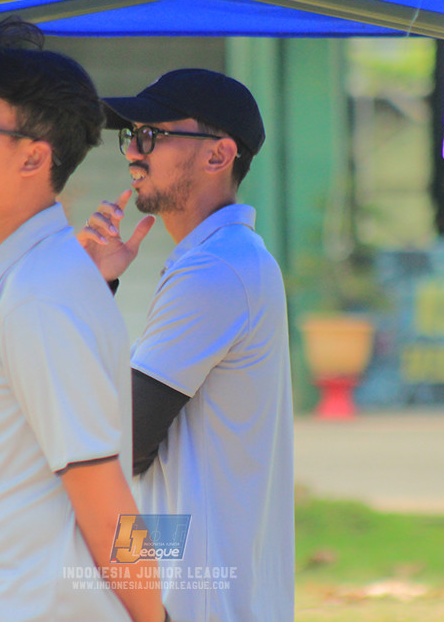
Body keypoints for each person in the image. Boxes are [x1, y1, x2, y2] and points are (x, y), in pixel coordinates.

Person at [0, 18, 167, 622]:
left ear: (33, 158)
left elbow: (104, 499)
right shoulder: (14, 281)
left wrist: (156, 619)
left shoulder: (40, 293)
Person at [79, 68, 294, 621]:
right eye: (132, 135)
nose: (134, 152)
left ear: (218, 155)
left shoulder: (214, 269)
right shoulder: (226, 259)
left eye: (152, 135)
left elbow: (117, 445)